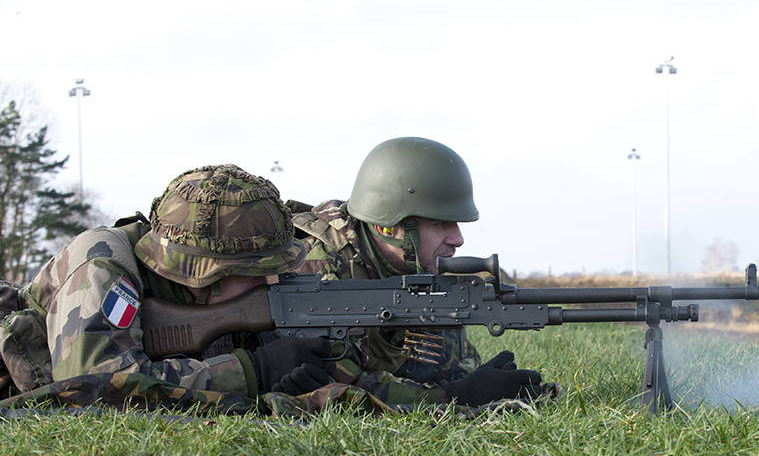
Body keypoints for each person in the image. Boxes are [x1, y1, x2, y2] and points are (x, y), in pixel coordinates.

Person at [0, 163, 335, 401]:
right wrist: (251, 372)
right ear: (202, 275)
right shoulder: (101, 263)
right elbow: (94, 387)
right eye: (253, 273)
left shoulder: (204, 299)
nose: (268, 282)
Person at [287, 136, 544, 408]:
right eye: (439, 224)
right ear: (386, 227)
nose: (458, 239)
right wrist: (451, 397)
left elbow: (447, 369)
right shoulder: (320, 269)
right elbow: (335, 387)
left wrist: (474, 383)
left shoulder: (416, 273)